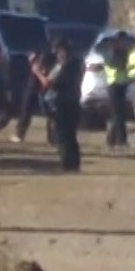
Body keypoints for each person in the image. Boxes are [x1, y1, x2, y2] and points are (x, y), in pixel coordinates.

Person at [48, 39, 84, 172]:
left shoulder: (67, 65)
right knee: (70, 134)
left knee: (62, 134)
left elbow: (51, 83)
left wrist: (37, 72)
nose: (56, 54)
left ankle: (66, 163)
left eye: (58, 51)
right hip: (73, 100)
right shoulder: (76, 63)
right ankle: (74, 163)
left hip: (62, 102)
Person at [13, 39, 56, 144]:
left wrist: (38, 70)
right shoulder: (41, 50)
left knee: (48, 110)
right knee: (27, 107)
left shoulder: (49, 56)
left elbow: (41, 72)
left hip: (44, 83)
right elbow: (33, 62)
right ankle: (20, 133)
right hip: (35, 83)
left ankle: (52, 136)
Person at [103, 32, 131, 149]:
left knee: (119, 114)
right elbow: (117, 65)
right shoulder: (112, 52)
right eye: (123, 41)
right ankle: (121, 140)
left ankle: (112, 140)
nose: (125, 43)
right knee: (117, 114)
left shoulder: (124, 52)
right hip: (113, 84)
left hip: (122, 84)